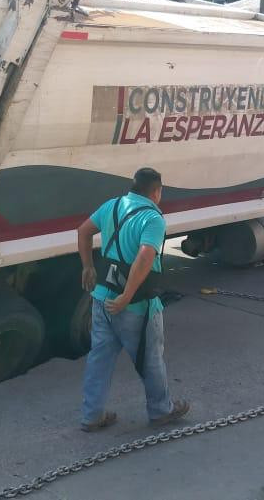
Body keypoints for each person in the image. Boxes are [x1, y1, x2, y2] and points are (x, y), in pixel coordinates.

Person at [76, 167, 189, 432]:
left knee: (99, 358)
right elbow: (146, 255)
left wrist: (88, 267)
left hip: (101, 298)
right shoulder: (153, 218)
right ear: (157, 191)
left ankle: (91, 416)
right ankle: (161, 411)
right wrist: (127, 296)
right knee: (150, 358)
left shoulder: (111, 206)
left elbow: (82, 231)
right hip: (136, 305)